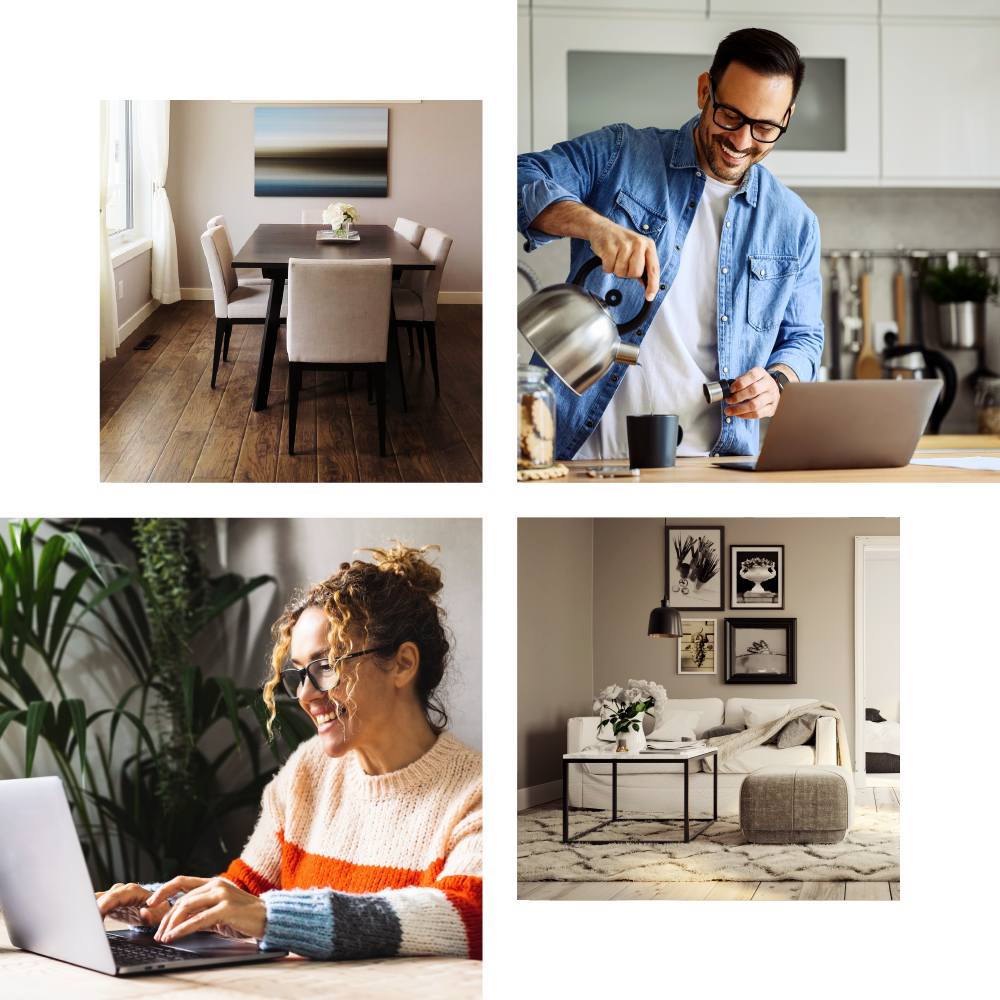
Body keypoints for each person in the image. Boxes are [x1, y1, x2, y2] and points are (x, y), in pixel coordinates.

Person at [95, 543, 482, 961]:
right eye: (298, 673)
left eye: (326, 665)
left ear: (404, 664)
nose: (306, 694)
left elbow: (469, 916)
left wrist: (267, 916)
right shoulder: (307, 769)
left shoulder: (477, 794)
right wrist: (160, 904)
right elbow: (248, 892)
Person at [517, 27, 825, 460]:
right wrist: (594, 226)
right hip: (580, 454)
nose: (740, 141)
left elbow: (805, 338)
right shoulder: (620, 154)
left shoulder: (795, 224)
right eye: (730, 116)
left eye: (764, 127)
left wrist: (779, 381)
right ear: (705, 91)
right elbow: (519, 177)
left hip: (712, 465)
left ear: (787, 118)